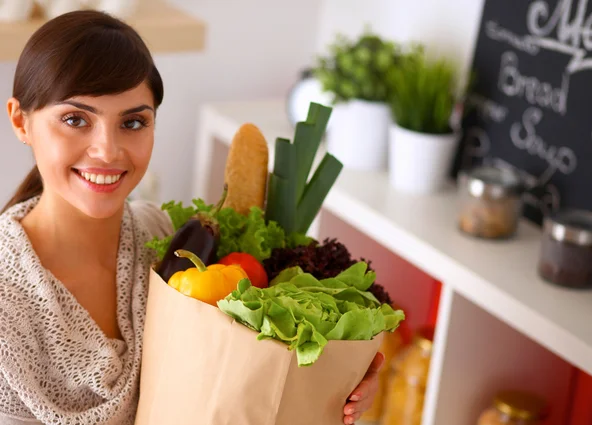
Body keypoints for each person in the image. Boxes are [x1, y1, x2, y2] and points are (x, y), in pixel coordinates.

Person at [0, 9, 384, 425]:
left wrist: (334, 386)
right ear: (21, 121)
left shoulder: (170, 239)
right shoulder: (8, 299)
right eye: (76, 120)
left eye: (133, 122)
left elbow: (241, 383)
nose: (107, 150)